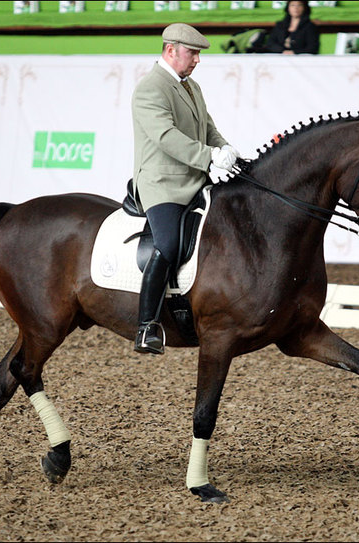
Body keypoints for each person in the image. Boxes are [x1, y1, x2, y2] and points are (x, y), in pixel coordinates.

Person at [130, 23, 240, 355]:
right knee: (168, 243)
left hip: (196, 179)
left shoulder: (191, 86)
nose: (197, 60)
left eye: (198, 54)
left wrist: (227, 151)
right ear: (171, 50)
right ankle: (146, 325)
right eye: (192, 53)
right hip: (163, 184)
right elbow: (165, 137)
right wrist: (209, 156)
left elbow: (208, 128)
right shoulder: (150, 88)